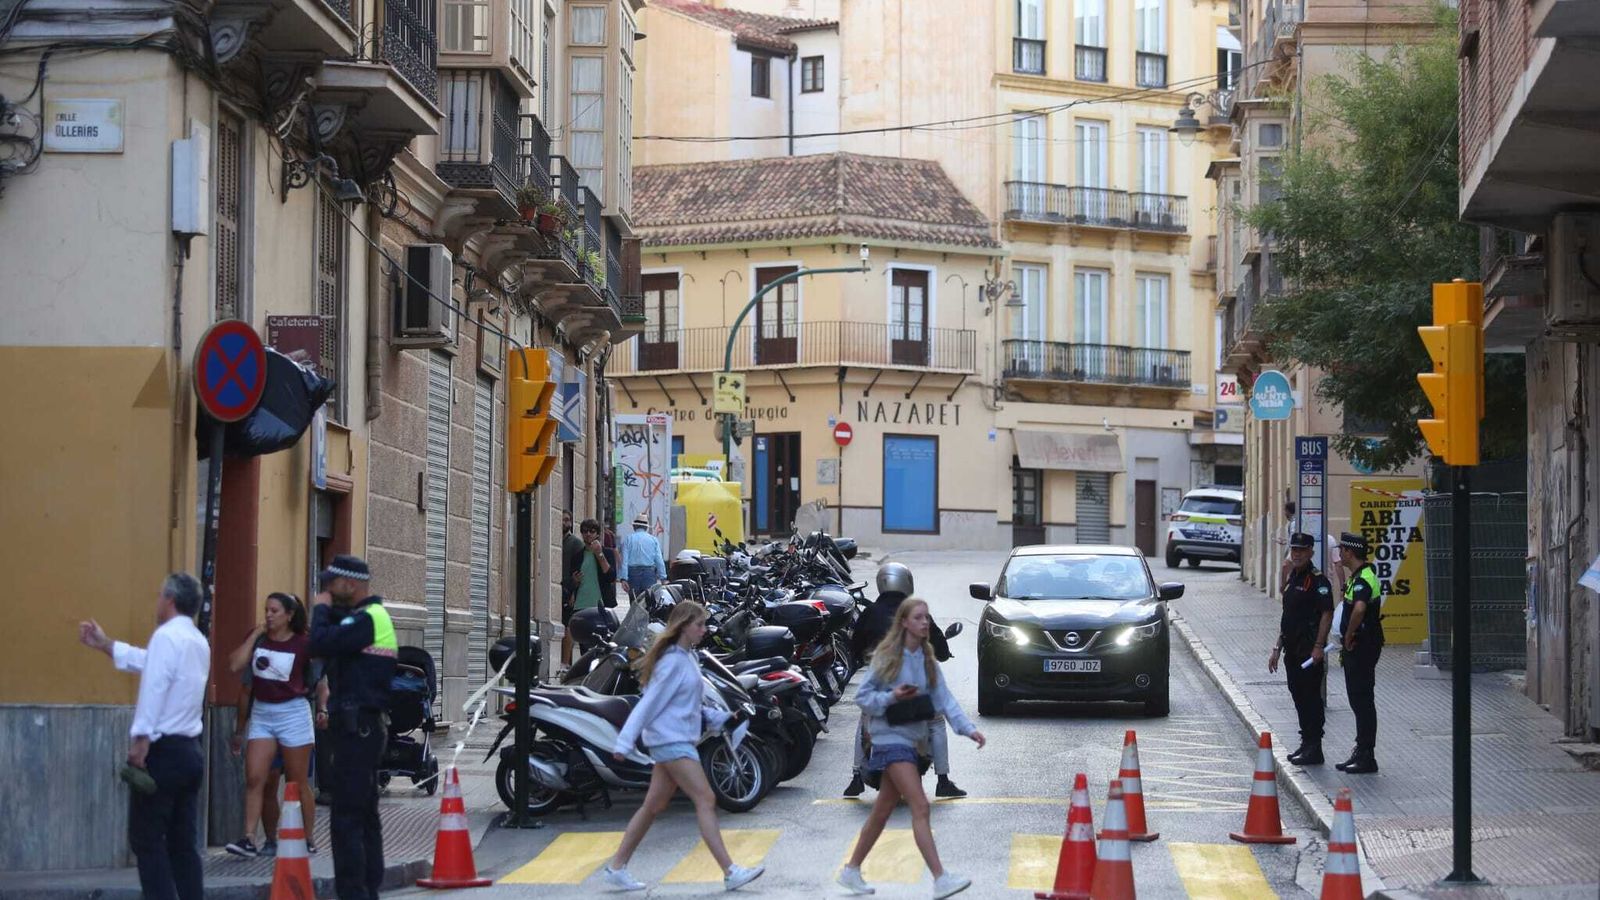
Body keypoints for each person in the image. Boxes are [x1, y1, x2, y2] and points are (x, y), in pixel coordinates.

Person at [600, 601, 765, 893]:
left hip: (674, 739)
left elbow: (691, 706)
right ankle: (730, 871)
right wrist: (624, 742)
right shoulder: (673, 662)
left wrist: (723, 718)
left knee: (653, 806)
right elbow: (649, 703)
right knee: (705, 799)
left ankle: (616, 867)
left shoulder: (686, 657)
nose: (704, 630)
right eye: (699, 625)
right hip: (671, 741)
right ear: (683, 626)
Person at [838, 598, 984, 899]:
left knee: (881, 812)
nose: (925, 623)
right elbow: (863, 699)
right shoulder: (887, 657)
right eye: (918, 618)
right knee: (919, 805)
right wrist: (892, 697)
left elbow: (945, 700)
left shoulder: (927, 659)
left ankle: (851, 870)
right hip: (889, 740)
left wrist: (969, 730)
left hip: (913, 740)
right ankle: (940, 878)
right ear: (904, 622)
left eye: (927, 618)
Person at [78, 573, 210, 900]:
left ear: (169, 600)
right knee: (182, 843)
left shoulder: (166, 637)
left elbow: (154, 687)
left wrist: (141, 739)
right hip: (190, 751)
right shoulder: (197, 640)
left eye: (158, 596)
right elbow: (150, 665)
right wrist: (105, 644)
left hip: (163, 750)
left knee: (147, 839)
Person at [308, 555, 397, 900]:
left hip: (358, 728)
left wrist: (318, 610)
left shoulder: (368, 620)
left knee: (346, 817)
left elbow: (320, 642)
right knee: (364, 815)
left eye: (333, 583)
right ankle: (367, 890)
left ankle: (355, 893)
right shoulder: (366, 619)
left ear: (352, 584)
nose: (327, 589)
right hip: (363, 727)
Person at [844, 563, 963, 800]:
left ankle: (855, 777)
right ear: (906, 582)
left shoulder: (869, 613)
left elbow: (853, 648)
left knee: (864, 719)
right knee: (937, 722)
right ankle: (943, 780)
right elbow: (939, 647)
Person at [225, 592, 324, 858]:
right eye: (266, 610)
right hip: (262, 713)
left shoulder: (303, 644)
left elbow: (318, 681)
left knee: (297, 781)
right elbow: (235, 665)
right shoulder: (258, 640)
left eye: (275, 611)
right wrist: (255, 634)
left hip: (292, 711)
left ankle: (308, 838)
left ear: (289, 616)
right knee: (255, 777)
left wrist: (322, 707)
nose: (268, 615)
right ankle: (249, 838)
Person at [1268, 533, 1334, 766]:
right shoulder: (1292, 578)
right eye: (1293, 550)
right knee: (1298, 696)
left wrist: (1319, 646)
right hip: (1292, 649)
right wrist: (1277, 647)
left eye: (1301, 551)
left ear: (1310, 553)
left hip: (1309, 651)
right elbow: (1288, 616)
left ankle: (1315, 747)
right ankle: (1306, 743)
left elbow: (1327, 612)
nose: (1296, 554)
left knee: (1311, 698)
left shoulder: (1318, 581)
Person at [1334, 532, 1384, 774]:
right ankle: (1361, 749)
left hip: (1362, 647)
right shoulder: (1359, 576)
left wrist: (1349, 634)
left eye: (1342, 549)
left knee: (1362, 700)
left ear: (1349, 552)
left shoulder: (1364, 578)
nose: (1340, 553)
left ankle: (1366, 755)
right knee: (1358, 699)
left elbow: (1360, 608)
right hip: (1359, 647)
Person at [620, 514, 667, 600]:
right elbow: (659, 561)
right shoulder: (653, 540)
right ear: (646, 528)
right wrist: (663, 578)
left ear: (634, 526)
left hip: (633, 575)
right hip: (649, 574)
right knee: (649, 603)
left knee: (635, 603)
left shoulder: (628, 539)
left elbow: (624, 561)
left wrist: (624, 578)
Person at [560, 510, 585, 664]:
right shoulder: (553, 540)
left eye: (567, 520)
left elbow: (579, 571)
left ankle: (565, 662)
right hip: (558, 587)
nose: (564, 522)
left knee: (568, 626)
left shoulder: (575, 543)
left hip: (569, 588)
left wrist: (574, 592)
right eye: (562, 519)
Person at [1276, 501, 1298, 586]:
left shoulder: (1293, 523)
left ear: (1289, 511)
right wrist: (1285, 541)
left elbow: (1293, 541)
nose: (1285, 513)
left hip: (1292, 556)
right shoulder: (1294, 522)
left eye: (1285, 511)